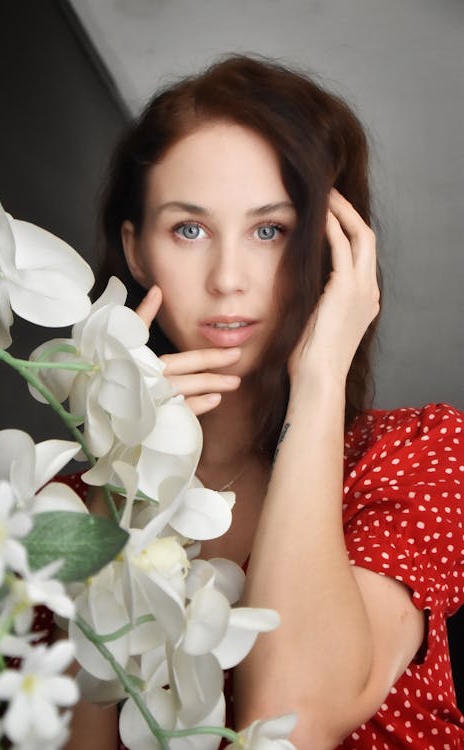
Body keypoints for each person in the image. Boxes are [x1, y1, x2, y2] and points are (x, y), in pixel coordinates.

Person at [58, 55, 463, 749]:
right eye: (189, 229)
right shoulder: (70, 506)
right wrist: (121, 497)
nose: (228, 280)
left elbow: (291, 723)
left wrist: (320, 376)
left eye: (270, 230)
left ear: (334, 253)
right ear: (137, 249)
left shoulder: (416, 457)